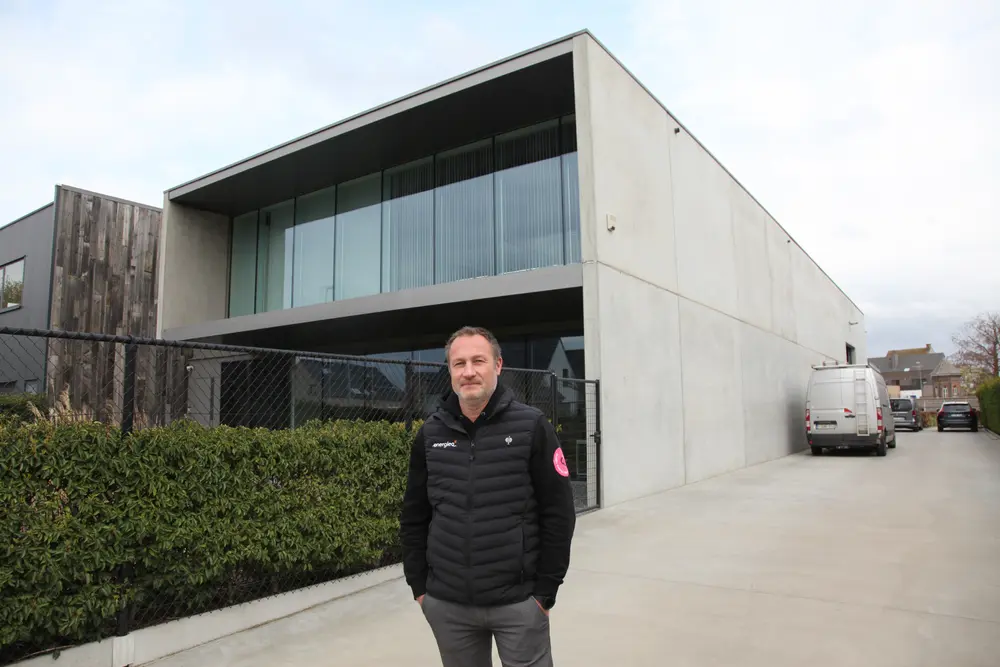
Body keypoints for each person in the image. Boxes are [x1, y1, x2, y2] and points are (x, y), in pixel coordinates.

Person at [400, 326, 577, 667]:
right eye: (458, 363)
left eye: (478, 361)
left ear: (498, 365)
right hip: (447, 603)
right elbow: (414, 515)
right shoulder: (430, 434)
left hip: (519, 603)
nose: (468, 371)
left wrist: (544, 593)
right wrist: (420, 587)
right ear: (450, 371)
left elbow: (559, 513)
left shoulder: (532, 426)